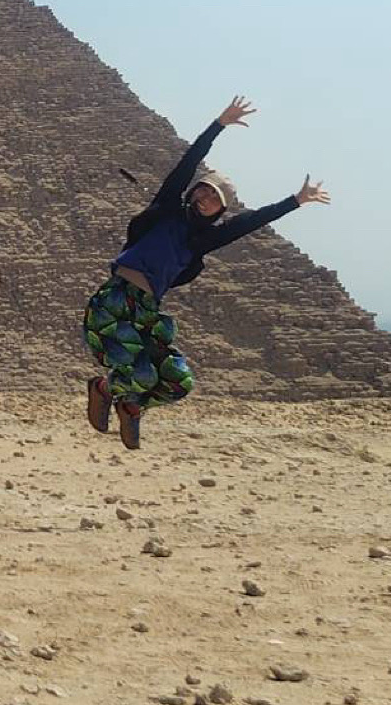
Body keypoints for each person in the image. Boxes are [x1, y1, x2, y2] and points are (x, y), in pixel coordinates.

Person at [82, 95, 330, 449]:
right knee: (141, 374)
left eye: (216, 200)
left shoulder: (202, 242)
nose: (208, 200)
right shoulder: (165, 209)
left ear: (220, 210)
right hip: (115, 303)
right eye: (206, 191)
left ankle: (131, 406)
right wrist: (219, 125)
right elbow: (187, 163)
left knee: (178, 381)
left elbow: (249, 223)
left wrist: (296, 201)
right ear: (195, 190)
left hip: (147, 311)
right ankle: (104, 389)